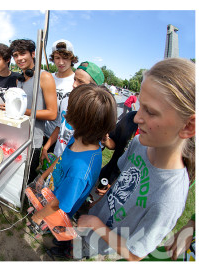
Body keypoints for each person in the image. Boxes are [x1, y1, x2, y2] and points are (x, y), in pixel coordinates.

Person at [76, 58, 195, 261]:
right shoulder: (139, 143)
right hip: (95, 217)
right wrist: (97, 206)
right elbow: (120, 182)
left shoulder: (170, 196)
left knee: (81, 252)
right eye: (140, 106)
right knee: (77, 244)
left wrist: (97, 226)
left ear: (187, 127)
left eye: (150, 111)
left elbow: (134, 254)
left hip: (106, 243)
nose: (137, 118)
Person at [30, 84, 116, 254]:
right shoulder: (80, 138)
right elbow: (62, 158)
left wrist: (38, 216)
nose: (65, 114)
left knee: (60, 227)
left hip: (60, 207)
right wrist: (44, 176)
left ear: (83, 122)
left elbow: (58, 206)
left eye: (70, 111)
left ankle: (64, 247)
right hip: (55, 192)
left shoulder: (79, 171)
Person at [8, 39, 57, 183]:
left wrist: (21, 111)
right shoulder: (20, 80)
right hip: (18, 136)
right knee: (15, 175)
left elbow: (52, 113)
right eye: (16, 55)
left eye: (23, 53)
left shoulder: (44, 77)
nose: (19, 58)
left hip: (33, 140)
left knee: (27, 178)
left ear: (33, 54)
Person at [40, 61, 105, 166]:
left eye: (80, 81)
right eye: (74, 79)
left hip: (71, 164)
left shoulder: (94, 114)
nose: (74, 84)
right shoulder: (66, 100)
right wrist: (46, 147)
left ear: (94, 87)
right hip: (57, 156)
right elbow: (59, 126)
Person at [43, 39, 78, 153]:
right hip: (44, 133)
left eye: (65, 58)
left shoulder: (76, 81)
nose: (61, 62)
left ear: (72, 59)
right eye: (57, 58)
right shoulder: (48, 78)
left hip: (64, 139)